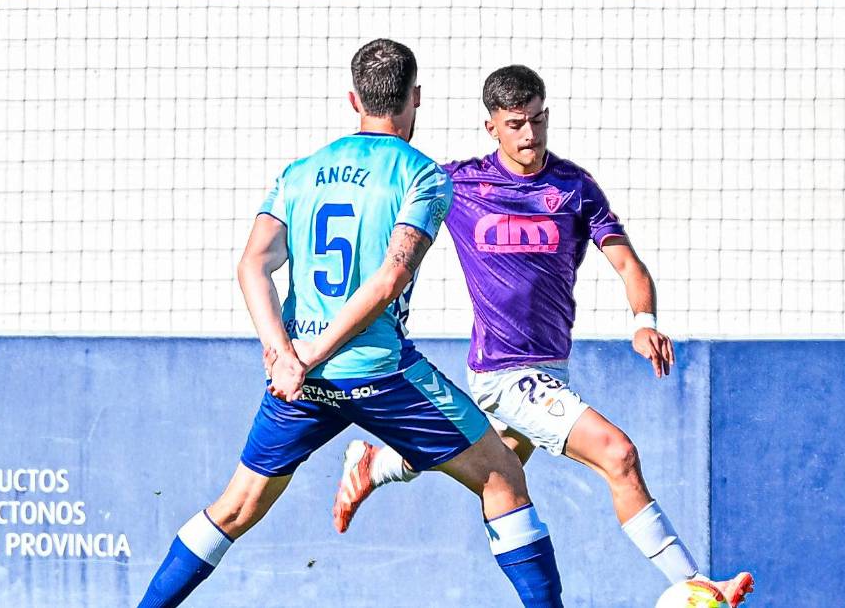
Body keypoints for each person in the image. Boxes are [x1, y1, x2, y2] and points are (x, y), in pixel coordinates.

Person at [136, 43, 565, 608]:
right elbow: (389, 279)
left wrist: (285, 355)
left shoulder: (301, 171)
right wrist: (306, 357)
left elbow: (252, 264)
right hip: (378, 372)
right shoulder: (424, 177)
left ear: (353, 99)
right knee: (502, 474)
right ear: (415, 99)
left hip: (299, 380)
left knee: (236, 506)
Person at [328, 65, 753, 605]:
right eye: (515, 124)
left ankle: (379, 464)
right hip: (503, 372)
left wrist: (643, 322)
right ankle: (695, 583)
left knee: (497, 458)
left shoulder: (574, 187)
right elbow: (388, 211)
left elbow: (629, 266)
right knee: (618, 455)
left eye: (536, 121)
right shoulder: (456, 184)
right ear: (492, 128)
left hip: (551, 368)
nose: (529, 135)